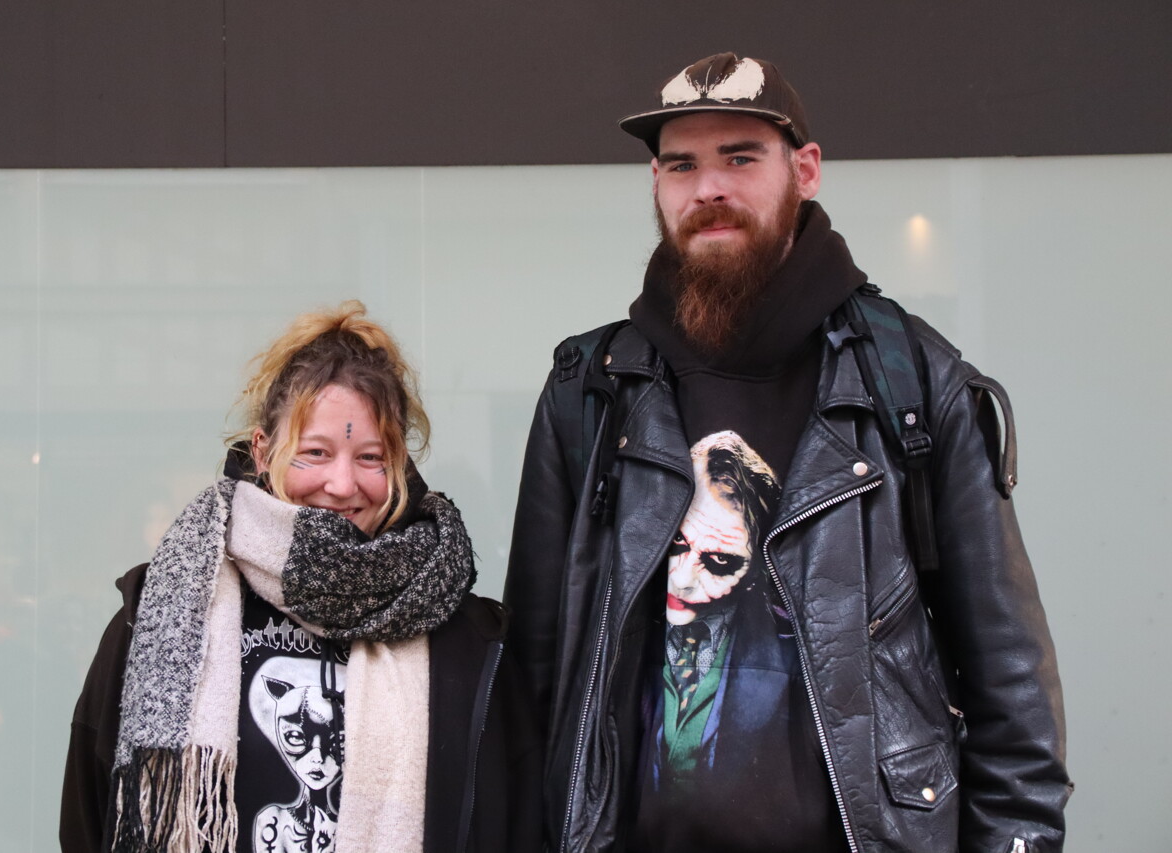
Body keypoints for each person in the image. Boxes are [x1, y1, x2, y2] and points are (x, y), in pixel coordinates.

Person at [504, 52, 1071, 853]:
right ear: (658, 186)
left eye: (740, 157)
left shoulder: (907, 378)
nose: (709, 189)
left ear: (805, 170)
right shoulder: (592, 392)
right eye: (681, 165)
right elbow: (534, 685)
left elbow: (1013, 694)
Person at [62, 302, 540, 853]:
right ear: (262, 451)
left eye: (370, 456)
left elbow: (512, 820)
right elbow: (90, 810)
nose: (342, 484)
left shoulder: (466, 637)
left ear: (399, 463)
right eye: (315, 452)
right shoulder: (168, 609)